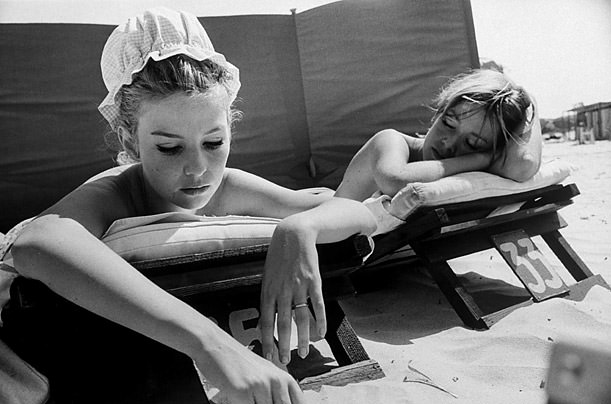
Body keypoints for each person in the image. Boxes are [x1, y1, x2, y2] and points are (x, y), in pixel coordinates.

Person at [3, 8, 377, 404]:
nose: (198, 168)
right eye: (169, 147)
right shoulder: (116, 192)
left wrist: (299, 230)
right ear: (129, 141)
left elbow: (352, 209)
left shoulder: (227, 186)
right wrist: (212, 345)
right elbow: (37, 240)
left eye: (214, 143)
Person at [334, 69, 543, 202]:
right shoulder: (390, 141)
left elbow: (523, 164)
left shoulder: (467, 164)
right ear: (438, 113)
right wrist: (478, 157)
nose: (449, 144)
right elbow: (395, 182)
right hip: (318, 211)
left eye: (472, 143)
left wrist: (529, 106)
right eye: (448, 123)